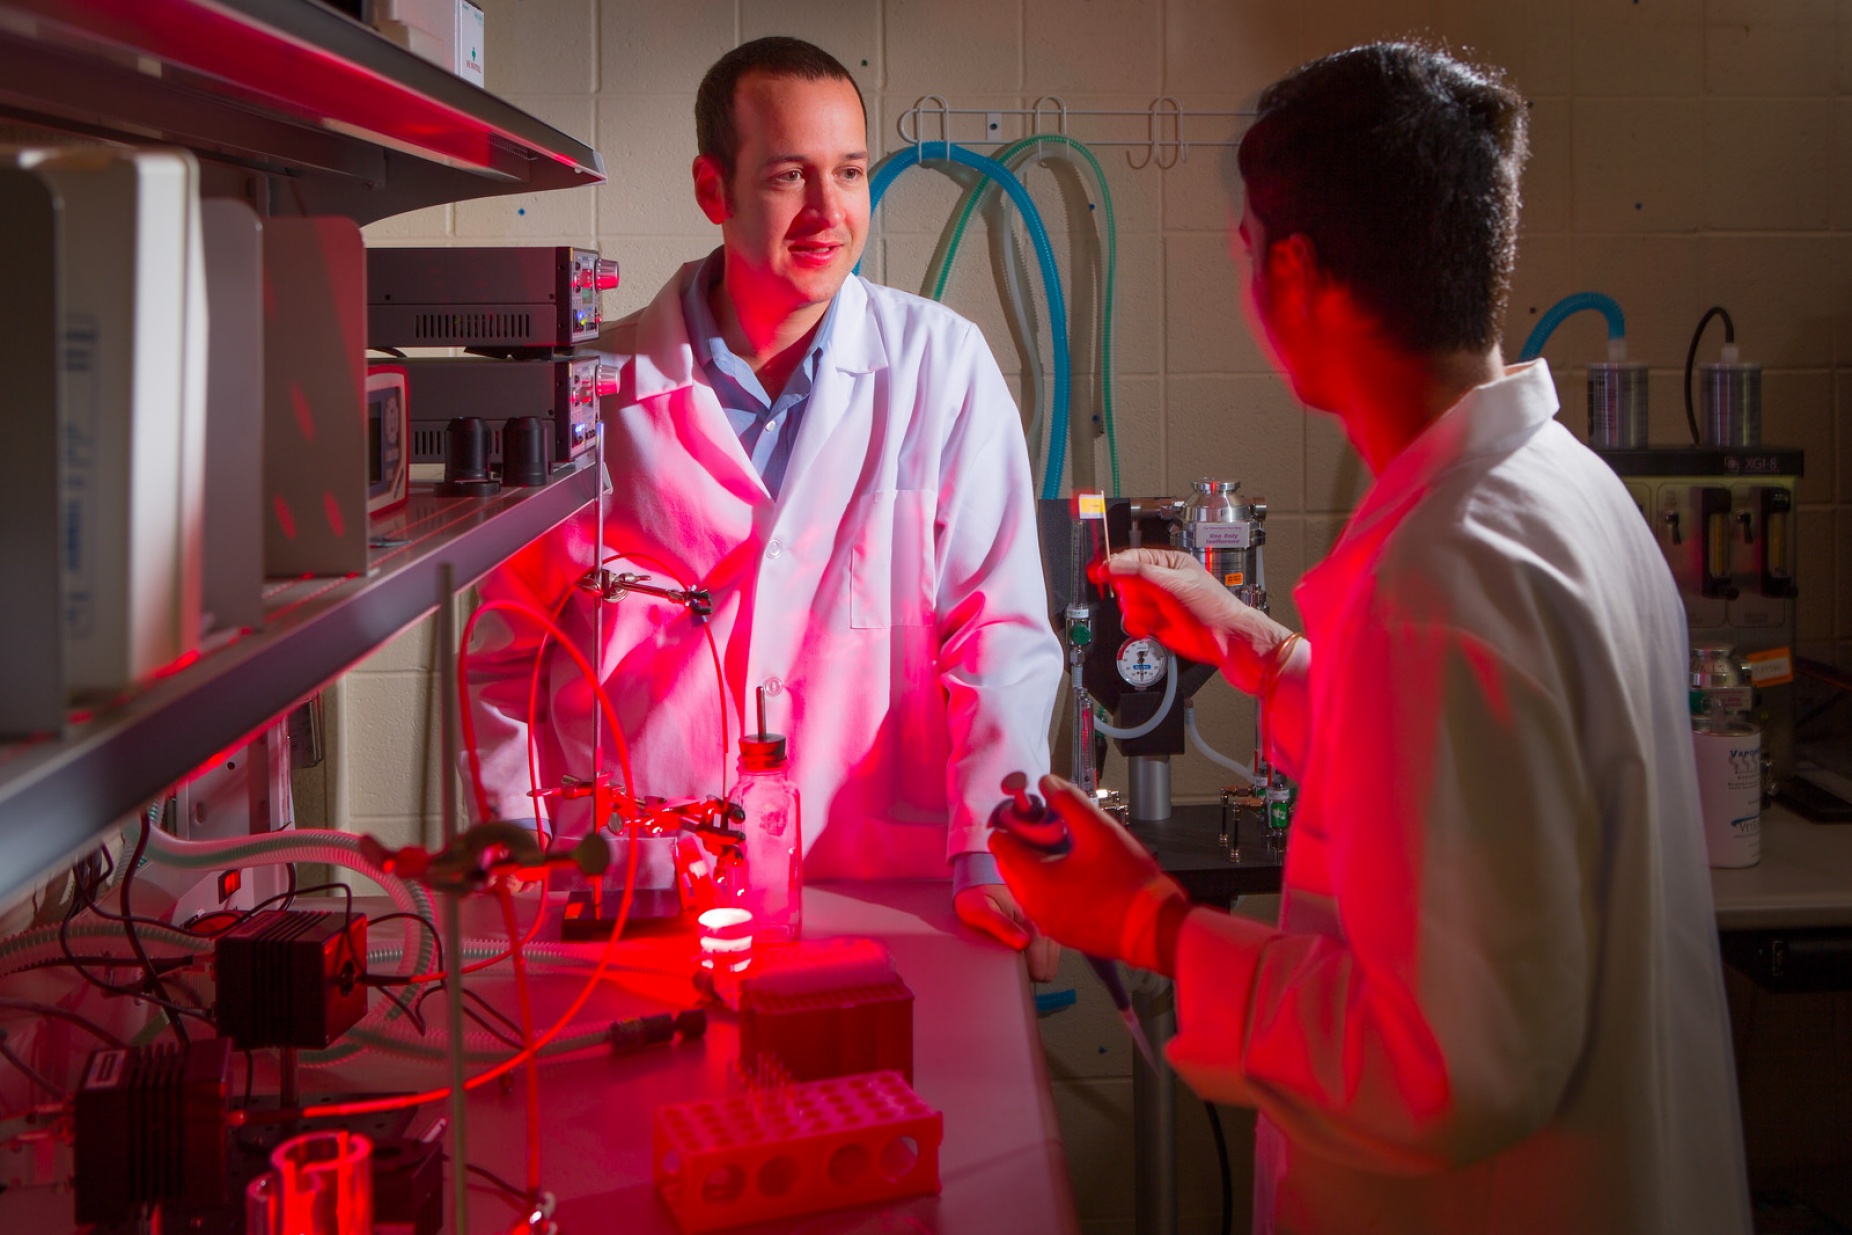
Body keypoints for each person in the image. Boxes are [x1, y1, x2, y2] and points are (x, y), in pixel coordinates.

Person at [990, 43, 1751, 1234]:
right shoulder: (1559, 490)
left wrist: (1146, 922)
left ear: (1294, 270)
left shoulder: (1445, 577)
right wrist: (1270, 655)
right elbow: (1480, 790)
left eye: (1244, 256)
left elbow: (1442, 1063)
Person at [466, 37, 1063, 979]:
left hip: (882, 893)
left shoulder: (941, 370)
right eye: (791, 176)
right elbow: (506, 655)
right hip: (637, 900)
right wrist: (525, 865)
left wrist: (989, 851)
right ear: (715, 190)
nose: (830, 213)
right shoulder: (596, 393)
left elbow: (1000, 637)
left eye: (851, 174)